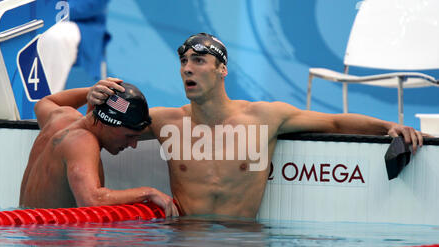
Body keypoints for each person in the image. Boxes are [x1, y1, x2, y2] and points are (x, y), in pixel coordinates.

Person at [86, 33, 426, 218]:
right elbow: (93, 128)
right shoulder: (165, 121)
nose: (187, 68)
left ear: (222, 70)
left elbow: (336, 120)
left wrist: (388, 126)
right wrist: (92, 97)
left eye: (199, 60)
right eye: (184, 61)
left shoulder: (265, 117)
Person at [19, 82, 179, 217]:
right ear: (105, 123)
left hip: (31, 236)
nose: (133, 144)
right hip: (53, 246)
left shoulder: (61, 117)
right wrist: (149, 192)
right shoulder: (82, 141)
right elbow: (91, 201)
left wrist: (92, 91)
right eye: (129, 136)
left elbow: (43, 102)